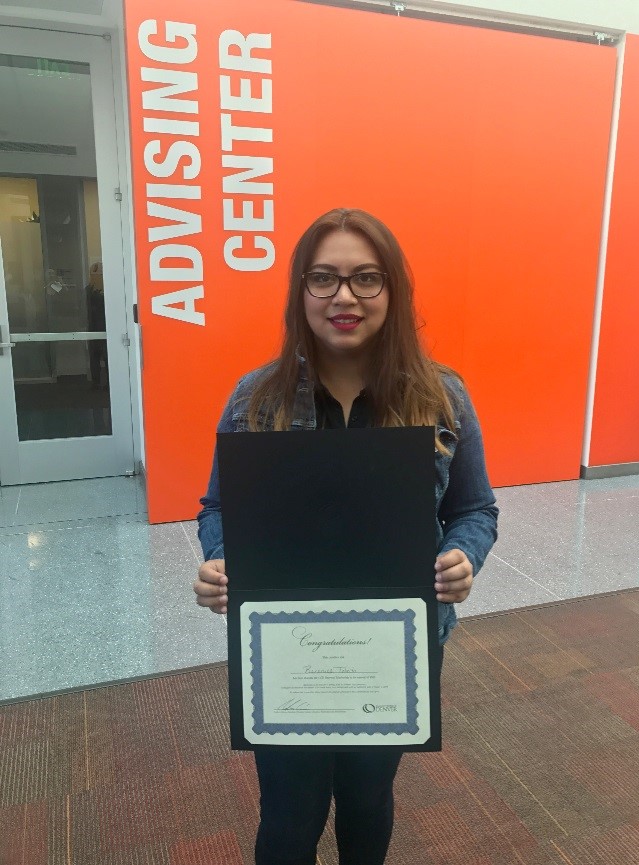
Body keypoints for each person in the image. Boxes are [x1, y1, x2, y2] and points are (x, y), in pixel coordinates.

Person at [194, 208, 498, 865]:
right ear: (300, 292)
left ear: (392, 290)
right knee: (289, 810)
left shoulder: (441, 395)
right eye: (323, 277)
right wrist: (221, 561)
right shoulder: (256, 399)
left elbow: (476, 508)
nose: (343, 297)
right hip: (283, 646)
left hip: (395, 641)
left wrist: (460, 557)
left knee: (366, 797)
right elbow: (217, 506)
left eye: (365, 278)